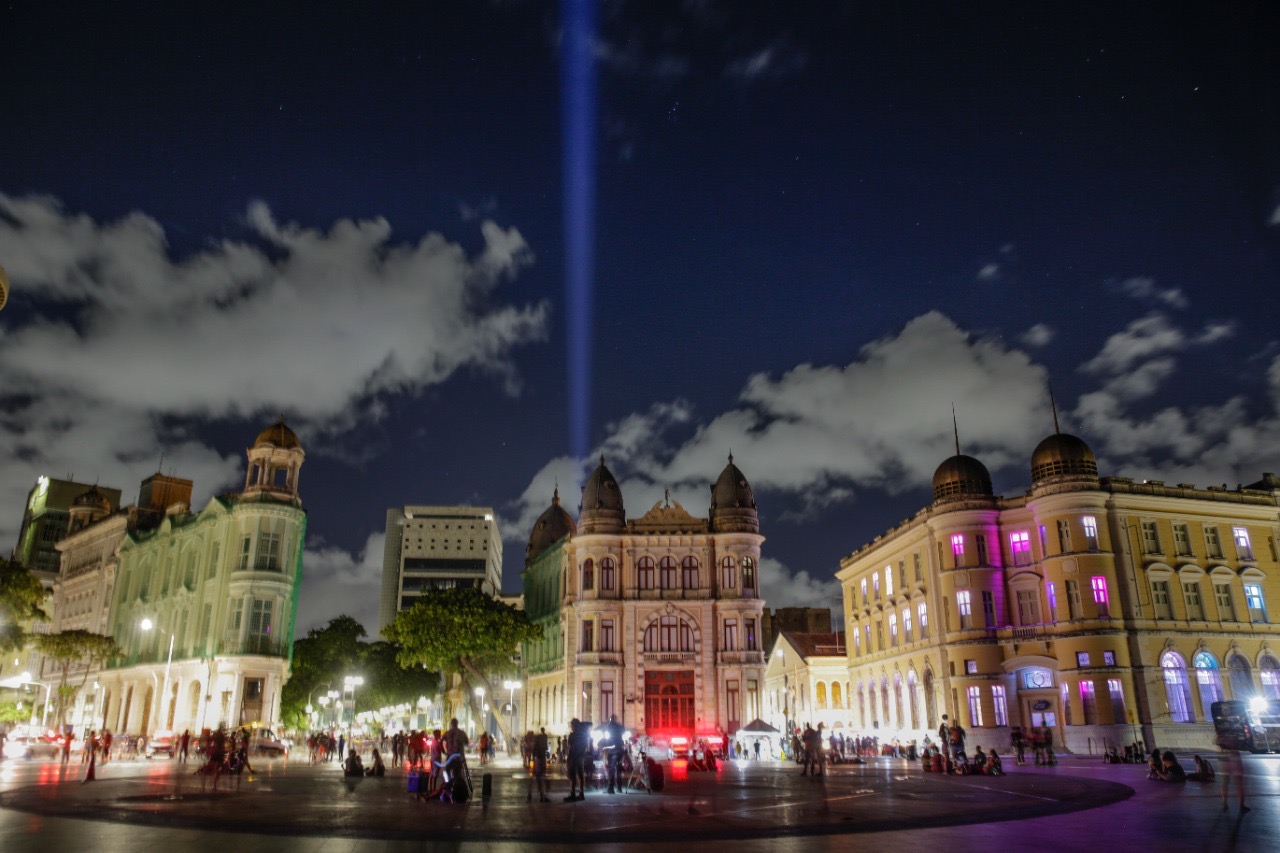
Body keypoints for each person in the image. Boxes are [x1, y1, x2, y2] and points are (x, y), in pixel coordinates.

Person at [1219, 742, 1249, 812]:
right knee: (1238, 784)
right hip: (1234, 757)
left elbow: (1217, 742)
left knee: (1225, 783)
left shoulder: (1221, 736)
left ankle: (1225, 803)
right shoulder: (1235, 735)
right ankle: (1241, 805)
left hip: (1224, 758)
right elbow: (1241, 744)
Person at [564, 719, 586, 801]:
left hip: (574, 757)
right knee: (580, 775)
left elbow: (570, 748)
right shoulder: (583, 735)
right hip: (581, 756)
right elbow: (584, 746)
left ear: (574, 726)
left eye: (572, 725)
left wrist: (568, 759)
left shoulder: (572, 736)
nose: (571, 727)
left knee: (572, 776)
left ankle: (573, 794)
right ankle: (581, 793)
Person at [528, 727, 550, 803]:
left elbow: (536, 752)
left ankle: (536, 795)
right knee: (539, 779)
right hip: (539, 761)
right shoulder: (540, 739)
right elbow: (542, 749)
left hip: (538, 761)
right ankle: (540, 796)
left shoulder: (540, 739)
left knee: (537, 779)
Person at [604, 714, 625, 794]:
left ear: (611, 719)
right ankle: (619, 787)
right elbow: (623, 732)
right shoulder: (620, 727)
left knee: (612, 769)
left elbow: (607, 738)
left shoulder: (610, 726)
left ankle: (611, 787)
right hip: (619, 749)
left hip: (613, 750)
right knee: (618, 768)